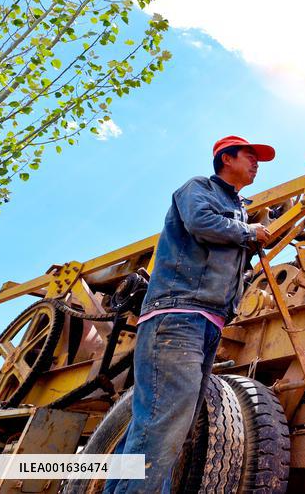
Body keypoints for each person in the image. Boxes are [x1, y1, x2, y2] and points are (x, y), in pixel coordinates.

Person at [106, 135, 276, 493]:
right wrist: (248, 232)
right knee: (165, 423)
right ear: (225, 159)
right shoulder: (198, 188)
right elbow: (201, 222)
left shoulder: (238, 207)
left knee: (160, 426)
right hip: (179, 316)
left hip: (206, 323)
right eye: (250, 156)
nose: (256, 163)